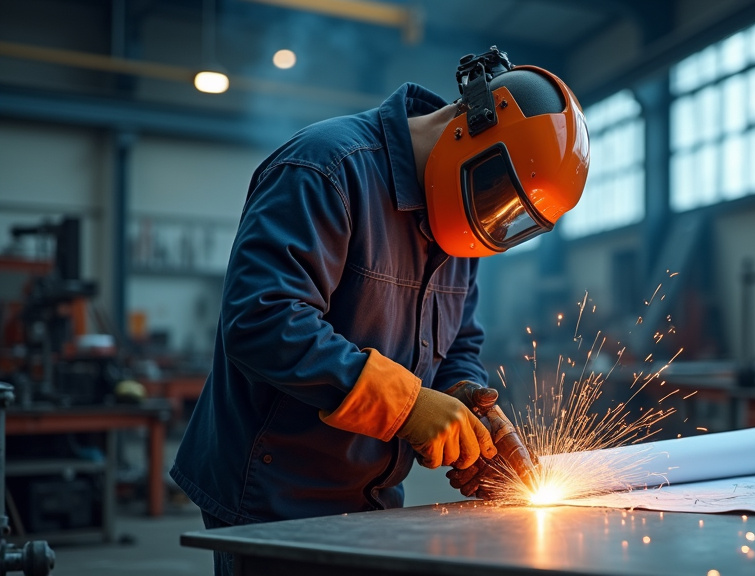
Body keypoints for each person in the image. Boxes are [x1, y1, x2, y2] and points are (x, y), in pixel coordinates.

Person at [170, 47, 589, 575]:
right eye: (498, 200)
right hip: (271, 494)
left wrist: (467, 402)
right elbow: (264, 320)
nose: (496, 223)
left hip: (371, 493)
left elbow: (460, 342)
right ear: (472, 125)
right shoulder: (326, 169)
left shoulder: (465, 222)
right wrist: (410, 407)